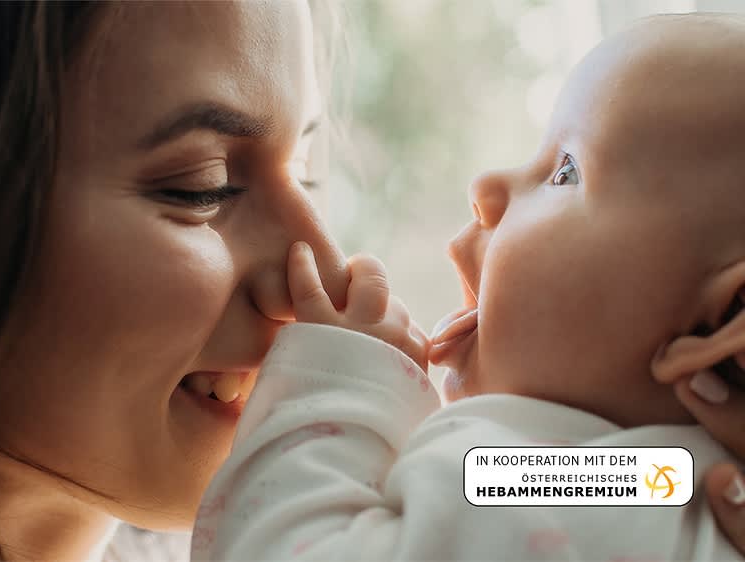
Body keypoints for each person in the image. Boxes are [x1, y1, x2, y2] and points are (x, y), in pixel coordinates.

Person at [0, 2, 744, 561]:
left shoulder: (646, 481)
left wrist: (357, 388)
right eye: (204, 185)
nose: (325, 268)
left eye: (306, 170)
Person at [190, 13, 745, 562]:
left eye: (566, 172)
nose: (486, 186)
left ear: (720, 330)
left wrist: (335, 383)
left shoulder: (589, 491)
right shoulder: (655, 488)